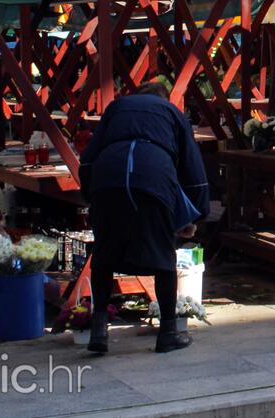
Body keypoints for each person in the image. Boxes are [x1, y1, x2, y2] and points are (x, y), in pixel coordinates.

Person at [80, 81, 210, 354]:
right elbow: (192, 167)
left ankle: (99, 330)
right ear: (163, 99)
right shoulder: (173, 113)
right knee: (163, 255)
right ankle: (167, 334)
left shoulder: (116, 108)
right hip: (153, 177)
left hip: (108, 176)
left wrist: (90, 194)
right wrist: (196, 214)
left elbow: (89, 157)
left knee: (104, 253)